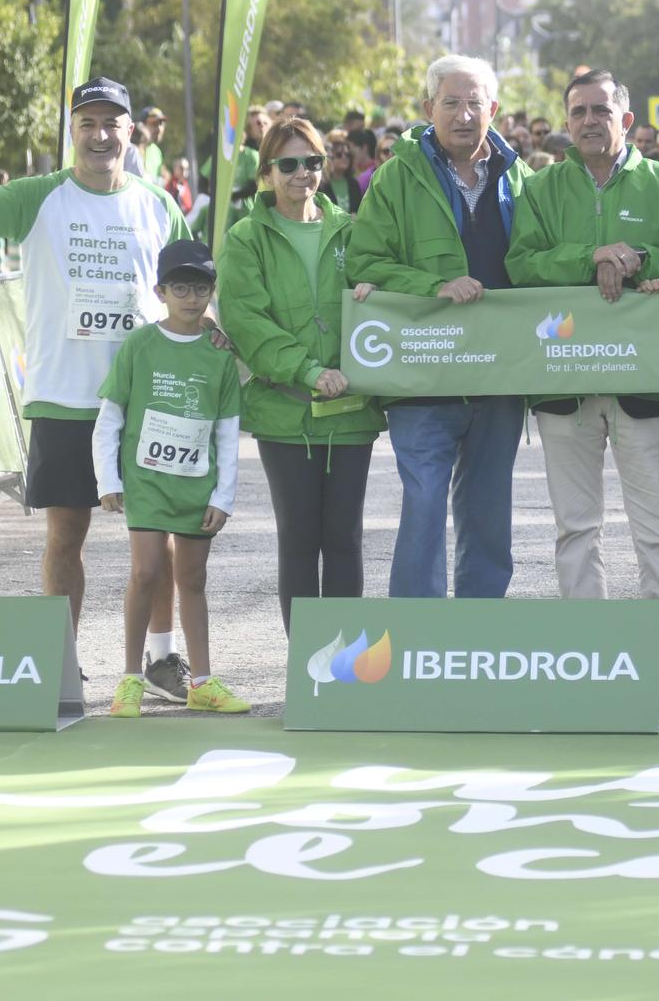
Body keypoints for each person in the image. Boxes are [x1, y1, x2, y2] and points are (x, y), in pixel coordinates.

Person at [0, 78, 192, 700]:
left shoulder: (159, 205)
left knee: (156, 538)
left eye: (113, 123)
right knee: (65, 536)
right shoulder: (42, 197)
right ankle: (62, 663)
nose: (101, 135)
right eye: (89, 123)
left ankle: (161, 660)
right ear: (73, 131)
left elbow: (189, 293)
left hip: (143, 401)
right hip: (64, 398)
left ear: (130, 132)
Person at [505, 68, 659, 712]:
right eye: (577, 111)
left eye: (601, 110)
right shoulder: (542, 189)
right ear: (564, 122)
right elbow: (521, 264)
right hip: (564, 383)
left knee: (658, 529)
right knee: (576, 528)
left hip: (645, 381)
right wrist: (590, 256)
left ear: (626, 120)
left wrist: (640, 257)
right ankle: (592, 655)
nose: (588, 121)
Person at [347, 54, 534, 599]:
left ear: (493, 109)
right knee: (424, 503)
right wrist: (434, 286)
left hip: (499, 374)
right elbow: (365, 263)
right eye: (451, 102)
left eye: (475, 102)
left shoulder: (519, 177)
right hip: (422, 373)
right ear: (428, 108)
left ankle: (476, 635)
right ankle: (416, 637)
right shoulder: (395, 178)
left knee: (488, 511)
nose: (464, 114)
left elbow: (538, 259)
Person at [218, 116, 385, 631]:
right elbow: (247, 322)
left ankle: (340, 673)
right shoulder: (246, 238)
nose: (302, 174)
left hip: (352, 411)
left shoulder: (352, 230)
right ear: (266, 172)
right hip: (285, 412)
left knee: (344, 538)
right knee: (297, 537)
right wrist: (309, 370)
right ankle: (307, 666)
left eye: (312, 162)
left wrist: (376, 295)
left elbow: (380, 287)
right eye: (288, 164)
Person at [95, 240, 247, 717]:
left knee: (193, 578)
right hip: (146, 484)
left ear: (211, 291)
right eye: (179, 287)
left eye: (200, 287)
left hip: (196, 486)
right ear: (160, 291)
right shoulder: (139, 344)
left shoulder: (221, 354)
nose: (190, 297)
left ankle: (202, 681)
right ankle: (130, 680)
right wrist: (107, 479)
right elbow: (110, 418)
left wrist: (224, 495)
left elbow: (227, 432)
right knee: (145, 572)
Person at [139, 107, 168, 187]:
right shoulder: (132, 148)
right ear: (143, 126)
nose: (159, 128)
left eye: (161, 124)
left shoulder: (157, 151)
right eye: (154, 124)